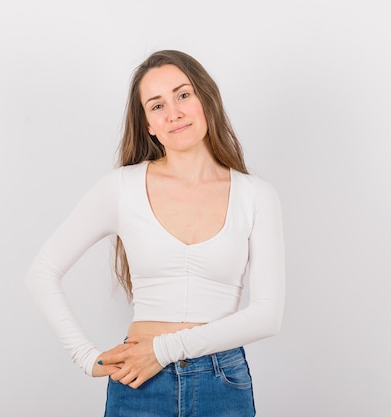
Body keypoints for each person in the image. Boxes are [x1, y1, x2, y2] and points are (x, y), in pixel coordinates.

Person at [25, 49, 285, 417]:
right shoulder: (121, 188)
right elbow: (42, 271)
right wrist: (87, 359)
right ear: (148, 124)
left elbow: (267, 315)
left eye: (183, 95)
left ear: (205, 99)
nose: (174, 113)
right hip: (139, 382)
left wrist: (162, 350)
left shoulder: (256, 195)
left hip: (221, 383)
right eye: (157, 105)